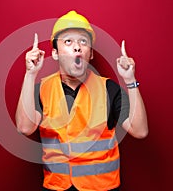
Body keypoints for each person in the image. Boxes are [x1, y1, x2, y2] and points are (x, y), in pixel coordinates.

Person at [15, 10, 148, 191]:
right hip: (56, 187)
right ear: (54, 53)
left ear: (90, 54)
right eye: (68, 41)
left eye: (83, 42)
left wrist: (130, 80)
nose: (77, 47)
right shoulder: (40, 89)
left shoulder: (109, 88)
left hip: (103, 188)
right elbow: (24, 127)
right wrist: (30, 74)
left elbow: (140, 131)